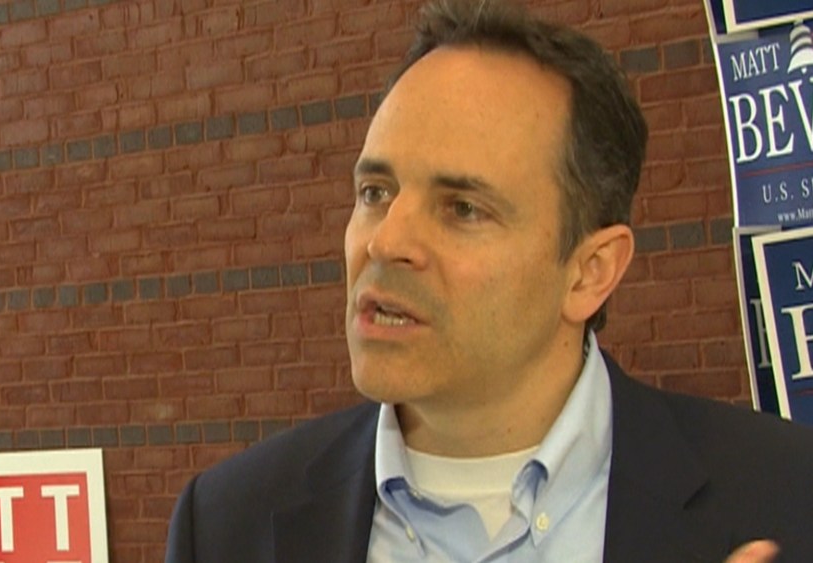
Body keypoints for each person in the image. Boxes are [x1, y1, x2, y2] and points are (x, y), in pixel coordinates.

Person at [164, 0, 813, 561]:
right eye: (375, 191)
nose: (385, 242)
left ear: (590, 272)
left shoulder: (786, 496)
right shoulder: (227, 524)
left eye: (463, 208)